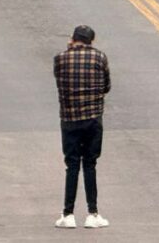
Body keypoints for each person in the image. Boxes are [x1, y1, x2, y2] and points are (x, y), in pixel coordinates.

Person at [53, 25, 111, 230]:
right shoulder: (99, 57)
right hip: (93, 119)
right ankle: (92, 213)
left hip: (69, 119)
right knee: (90, 164)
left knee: (72, 165)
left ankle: (68, 214)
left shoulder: (60, 58)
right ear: (91, 41)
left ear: (73, 39)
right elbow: (106, 87)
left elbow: (59, 82)